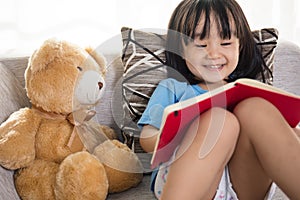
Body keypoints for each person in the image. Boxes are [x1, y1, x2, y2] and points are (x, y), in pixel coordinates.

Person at [137, 0, 300, 199]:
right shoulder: (173, 88)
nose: (214, 53)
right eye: (201, 44)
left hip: (243, 183)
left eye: (226, 43)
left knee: (255, 109)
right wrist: (180, 134)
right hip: (188, 178)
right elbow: (146, 137)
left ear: (240, 46)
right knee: (221, 121)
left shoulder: (245, 90)